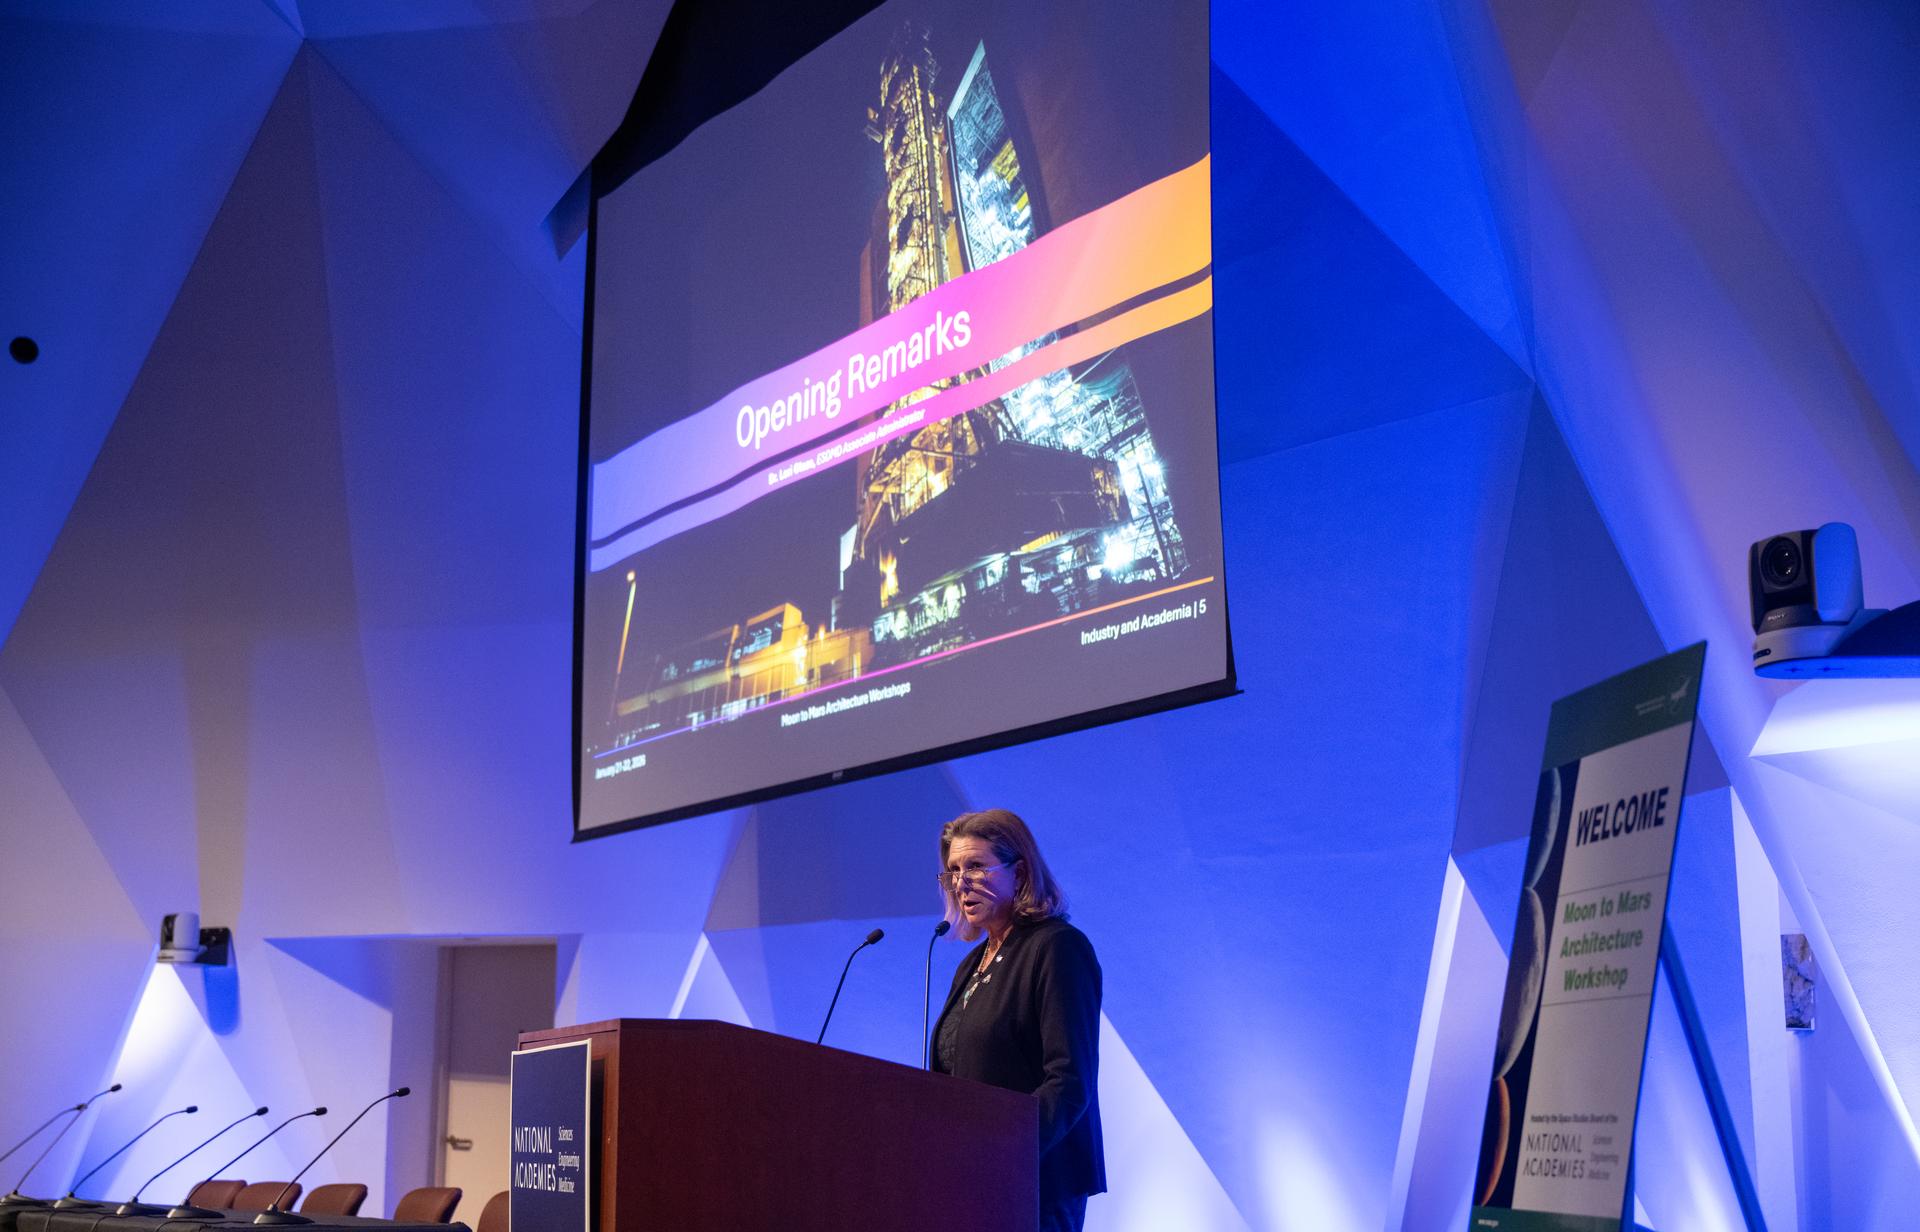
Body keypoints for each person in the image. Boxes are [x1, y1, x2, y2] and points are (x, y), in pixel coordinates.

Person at [929, 808, 1104, 1232]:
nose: (960, 883)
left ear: (1020, 872)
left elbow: (1068, 1080)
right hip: (970, 1185)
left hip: (1033, 1185)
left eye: (976, 867)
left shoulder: (1057, 948)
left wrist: (1004, 1155)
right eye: (953, 870)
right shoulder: (971, 963)